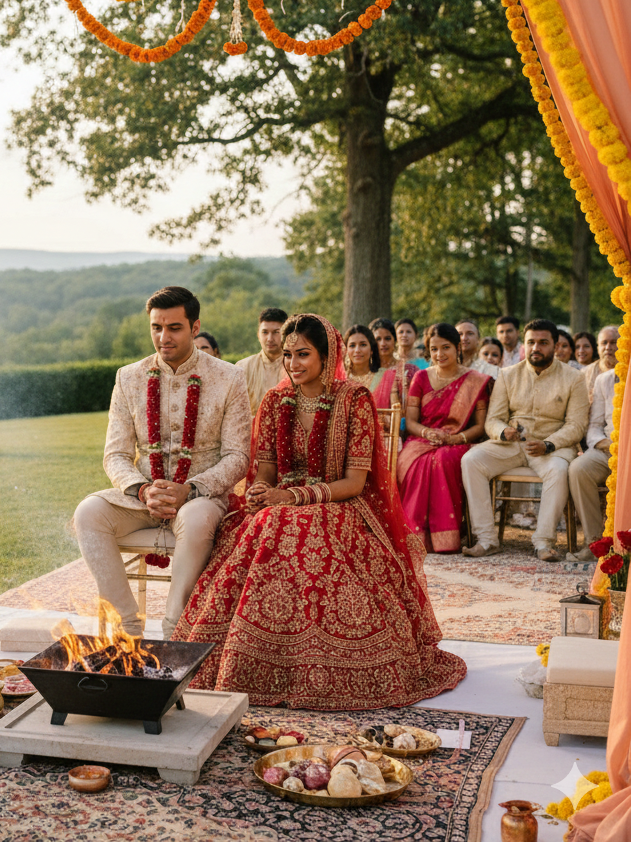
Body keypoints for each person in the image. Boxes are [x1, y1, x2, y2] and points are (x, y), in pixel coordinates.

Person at [172, 314, 466, 708]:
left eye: (303, 355)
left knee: (287, 525)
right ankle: (260, 656)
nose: (292, 364)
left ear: (328, 357)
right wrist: (262, 490)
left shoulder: (353, 398)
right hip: (281, 504)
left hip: (339, 504)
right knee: (266, 523)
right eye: (288, 355)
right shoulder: (277, 400)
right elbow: (266, 472)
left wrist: (294, 499)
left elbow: (355, 484)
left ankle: (312, 665)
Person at [73, 286, 251, 638]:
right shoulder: (129, 377)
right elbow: (116, 454)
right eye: (156, 327)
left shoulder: (229, 377)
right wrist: (141, 490)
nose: (163, 337)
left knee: (196, 518)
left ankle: (175, 631)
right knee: (88, 513)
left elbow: (238, 456)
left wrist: (192, 489)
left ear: (195, 327)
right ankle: (127, 630)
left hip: (202, 496)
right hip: (143, 497)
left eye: (174, 327)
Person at [460, 320, 589, 561]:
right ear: (524, 344)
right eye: (530, 342)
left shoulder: (574, 378)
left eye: (543, 343)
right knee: (471, 460)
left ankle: (543, 542)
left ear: (555, 345)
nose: (535, 348)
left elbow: (577, 425)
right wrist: (502, 431)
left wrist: (548, 444)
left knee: (559, 469)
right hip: (512, 444)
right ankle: (487, 540)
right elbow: (493, 420)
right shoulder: (508, 375)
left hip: (552, 447)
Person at [398, 324, 492, 553]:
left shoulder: (475, 381)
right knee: (415, 462)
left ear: (458, 347)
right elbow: (410, 422)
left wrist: (455, 438)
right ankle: (415, 535)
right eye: (434, 349)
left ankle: (445, 538)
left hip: (458, 440)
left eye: (446, 348)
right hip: (422, 439)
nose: (439, 354)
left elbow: (480, 427)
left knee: (441, 460)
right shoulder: (421, 378)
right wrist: (427, 433)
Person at [567, 368, 616, 560]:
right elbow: (595, 425)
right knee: (579, 469)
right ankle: (595, 543)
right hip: (609, 447)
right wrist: (605, 444)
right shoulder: (605, 379)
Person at [236, 307, 289, 414]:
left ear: (286, 335)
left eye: (276, 332)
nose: (270, 338)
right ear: (258, 335)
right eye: (265, 332)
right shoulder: (242, 367)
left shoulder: (295, 367)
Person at [368, 318, 419, 409]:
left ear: (394, 340)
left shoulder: (409, 371)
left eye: (387, 338)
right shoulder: (366, 371)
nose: (383, 343)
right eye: (378, 339)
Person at [583, 325, 619, 403]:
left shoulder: (628, 371)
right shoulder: (585, 373)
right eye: (604, 343)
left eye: (613, 342)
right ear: (598, 347)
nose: (608, 347)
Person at [344, 323, 380, 388]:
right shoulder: (339, 379)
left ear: (372, 349)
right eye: (352, 345)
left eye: (363, 345)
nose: (357, 350)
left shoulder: (383, 378)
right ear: (346, 350)